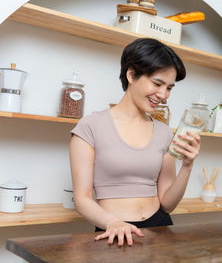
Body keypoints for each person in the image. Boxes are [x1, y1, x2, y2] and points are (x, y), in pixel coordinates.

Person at [69, 38, 200, 246]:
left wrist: (187, 165)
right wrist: (112, 222)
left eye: (169, 88)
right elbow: (82, 199)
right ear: (131, 75)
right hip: (113, 231)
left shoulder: (165, 133)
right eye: (157, 84)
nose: (163, 95)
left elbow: (167, 203)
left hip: (160, 227)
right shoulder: (90, 126)